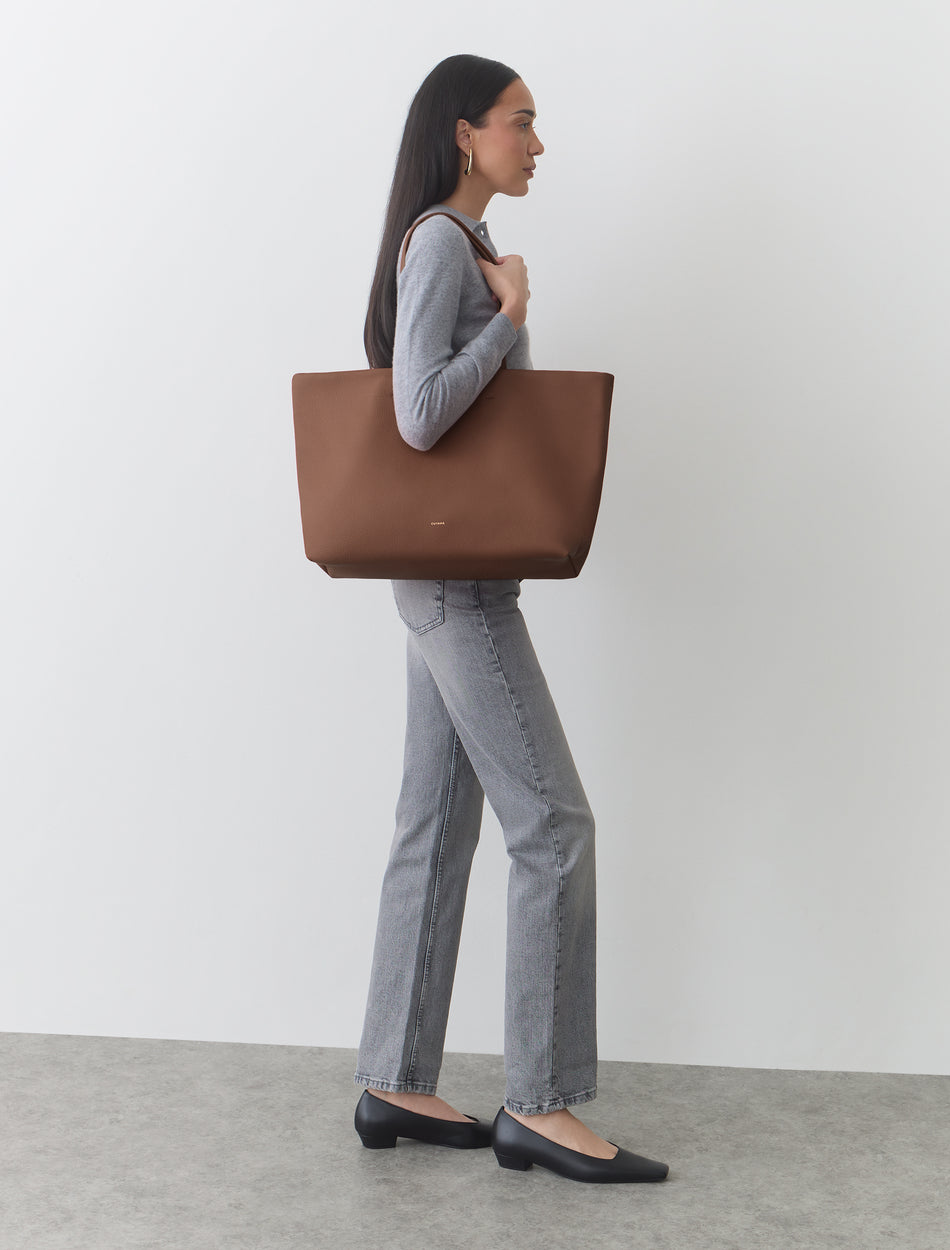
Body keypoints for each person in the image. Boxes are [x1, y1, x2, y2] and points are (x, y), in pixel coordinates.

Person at [353, 53, 667, 1184]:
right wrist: (513, 316)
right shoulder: (447, 240)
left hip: (445, 588)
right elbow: (422, 414)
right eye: (522, 123)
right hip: (460, 593)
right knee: (554, 824)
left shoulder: (453, 242)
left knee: (435, 828)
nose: (538, 144)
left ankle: (393, 1077)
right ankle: (536, 1102)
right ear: (462, 132)